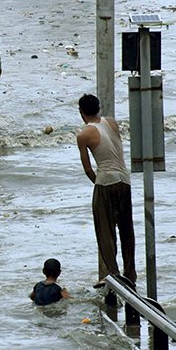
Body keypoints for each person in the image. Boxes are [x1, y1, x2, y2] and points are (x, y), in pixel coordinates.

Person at [75, 94, 136, 287]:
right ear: (99, 108)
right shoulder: (111, 123)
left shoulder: (83, 134)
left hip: (106, 182)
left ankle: (113, 274)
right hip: (125, 181)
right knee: (126, 229)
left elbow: (87, 168)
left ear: (81, 112)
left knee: (105, 232)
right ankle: (131, 273)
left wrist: (98, 183)